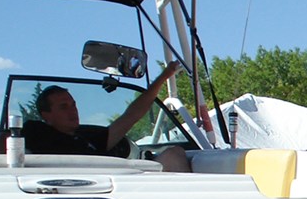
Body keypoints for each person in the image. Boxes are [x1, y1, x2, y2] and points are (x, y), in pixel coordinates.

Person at [19, 60, 190, 171]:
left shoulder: (92, 139)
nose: (73, 110)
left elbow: (131, 115)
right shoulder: (35, 133)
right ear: (46, 116)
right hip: (60, 194)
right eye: (63, 107)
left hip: (112, 192)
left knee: (174, 153)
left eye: (74, 104)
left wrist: (164, 76)